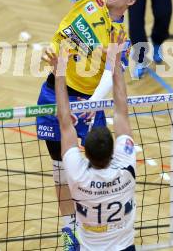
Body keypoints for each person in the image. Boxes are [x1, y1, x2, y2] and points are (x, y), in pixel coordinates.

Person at [36, 0, 139, 248]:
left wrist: (91, 105)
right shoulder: (89, 0)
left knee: (94, 169)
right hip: (55, 89)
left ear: (130, 1)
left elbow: (113, 77)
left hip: (89, 102)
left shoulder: (120, 37)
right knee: (61, 168)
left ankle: (93, 224)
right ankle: (69, 229)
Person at [43, 30, 136, 251]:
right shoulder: (126, 169)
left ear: (85, 153)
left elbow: (65, 123)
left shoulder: (78, 174)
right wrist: (115, 59)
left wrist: (60, 72)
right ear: (114, 151)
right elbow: (121, 110)